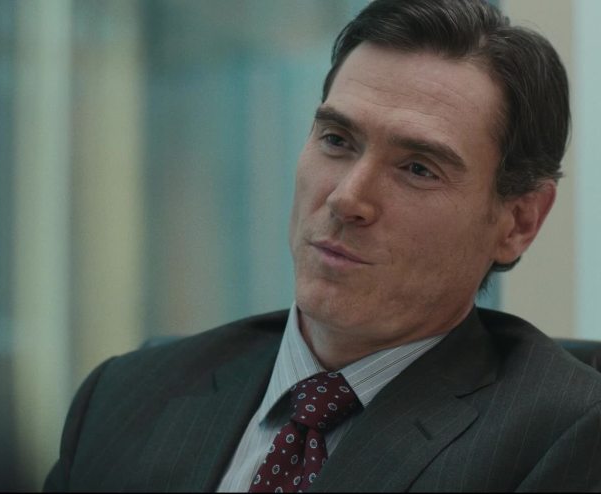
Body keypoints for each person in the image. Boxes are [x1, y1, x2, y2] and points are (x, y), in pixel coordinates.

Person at [44, 0, 601, 491]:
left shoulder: (566, 438)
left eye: (417, 168)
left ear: (518, 221)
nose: (346, 198)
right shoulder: (125, 397)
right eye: (336, 140)